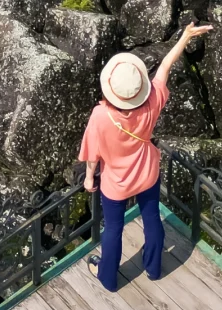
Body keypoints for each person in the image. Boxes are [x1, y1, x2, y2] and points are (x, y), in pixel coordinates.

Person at [80, 20, 213, 292]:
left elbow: (92, 154)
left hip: (116, 183)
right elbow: (164, 68)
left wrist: (89, 177)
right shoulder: (151, 103)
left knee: (114, 229)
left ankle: (107, 277)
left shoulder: (100, 116)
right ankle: (153, 268)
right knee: (151, 217)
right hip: (147, 173)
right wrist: (185, 36)